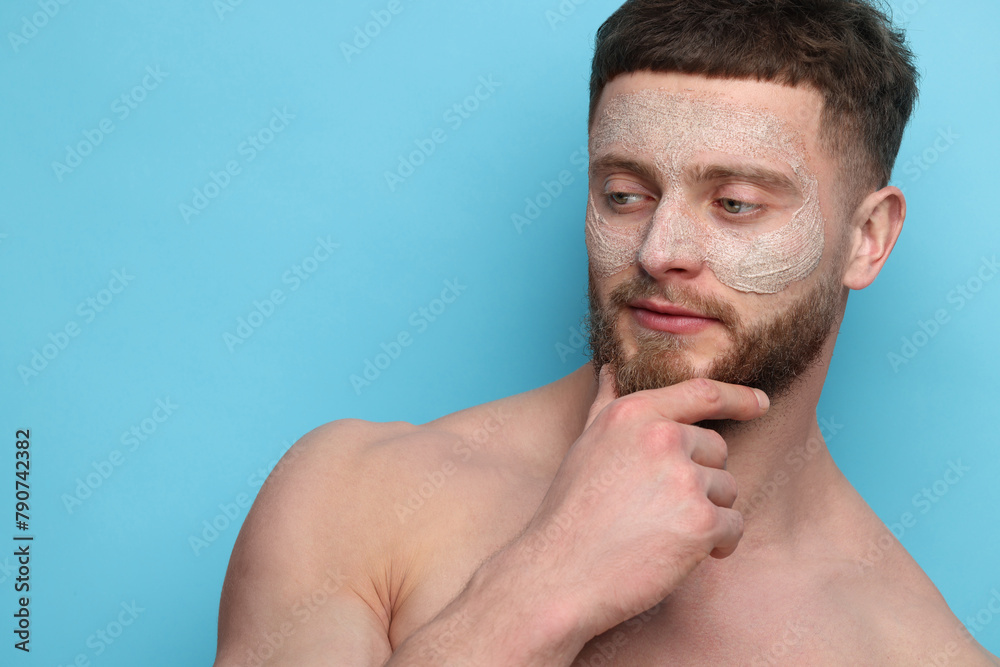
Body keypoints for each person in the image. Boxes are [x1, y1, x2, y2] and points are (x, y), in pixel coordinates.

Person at [214, 1, 1000, 664]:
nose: (660, 251)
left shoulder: (915, 651)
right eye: (625, 194)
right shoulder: (356, 496)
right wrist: (542, 585)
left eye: (735, 203)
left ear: (868, 238)